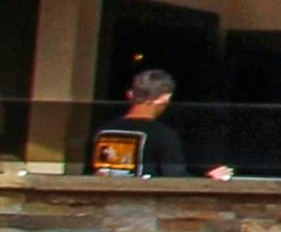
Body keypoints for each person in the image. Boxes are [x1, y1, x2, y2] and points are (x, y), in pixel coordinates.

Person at [89, 67, 227, 180]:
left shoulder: (104, 131)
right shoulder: (163, 135)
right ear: (164, 98)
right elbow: (176, 179)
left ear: (131, 94)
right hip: (144, 209)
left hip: (104, 207)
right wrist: (210, 179)